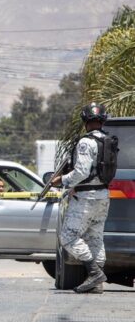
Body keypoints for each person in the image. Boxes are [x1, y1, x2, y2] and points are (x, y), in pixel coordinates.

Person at [51, 102, 112, 294]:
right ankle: (96, 282)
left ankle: (94, 272)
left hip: (86, 197)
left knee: (67, 237)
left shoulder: (86, 142)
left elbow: (81, 172)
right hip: (103, 196)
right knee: (95, 237)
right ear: (102, 120)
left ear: (85, 120)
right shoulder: (107, 141)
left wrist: (62, 180)